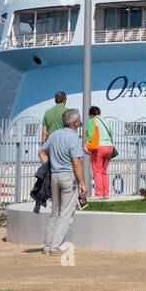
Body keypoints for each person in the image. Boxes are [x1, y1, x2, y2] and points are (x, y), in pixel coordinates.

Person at [38, 108, 87, 254]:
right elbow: (76, 162)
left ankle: (47, 245)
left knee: (55, 213)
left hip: (54, 175)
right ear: (75, 123)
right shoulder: (74, 138)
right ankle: (55, 246)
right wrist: (83, 184)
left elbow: (41, 152)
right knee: (66, 213)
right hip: (68, 176)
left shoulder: (54, 135)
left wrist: (47, 166)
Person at [84, 106, 114, 199]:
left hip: (99, 148)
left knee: (97, 172)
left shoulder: (92, 121)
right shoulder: (106, 121)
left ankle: (98, 194)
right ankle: (106, 194)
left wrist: (86, 146)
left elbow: (90, 134)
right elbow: (110, 134)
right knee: (104, 172)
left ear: (92, 115)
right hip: (109, 147)